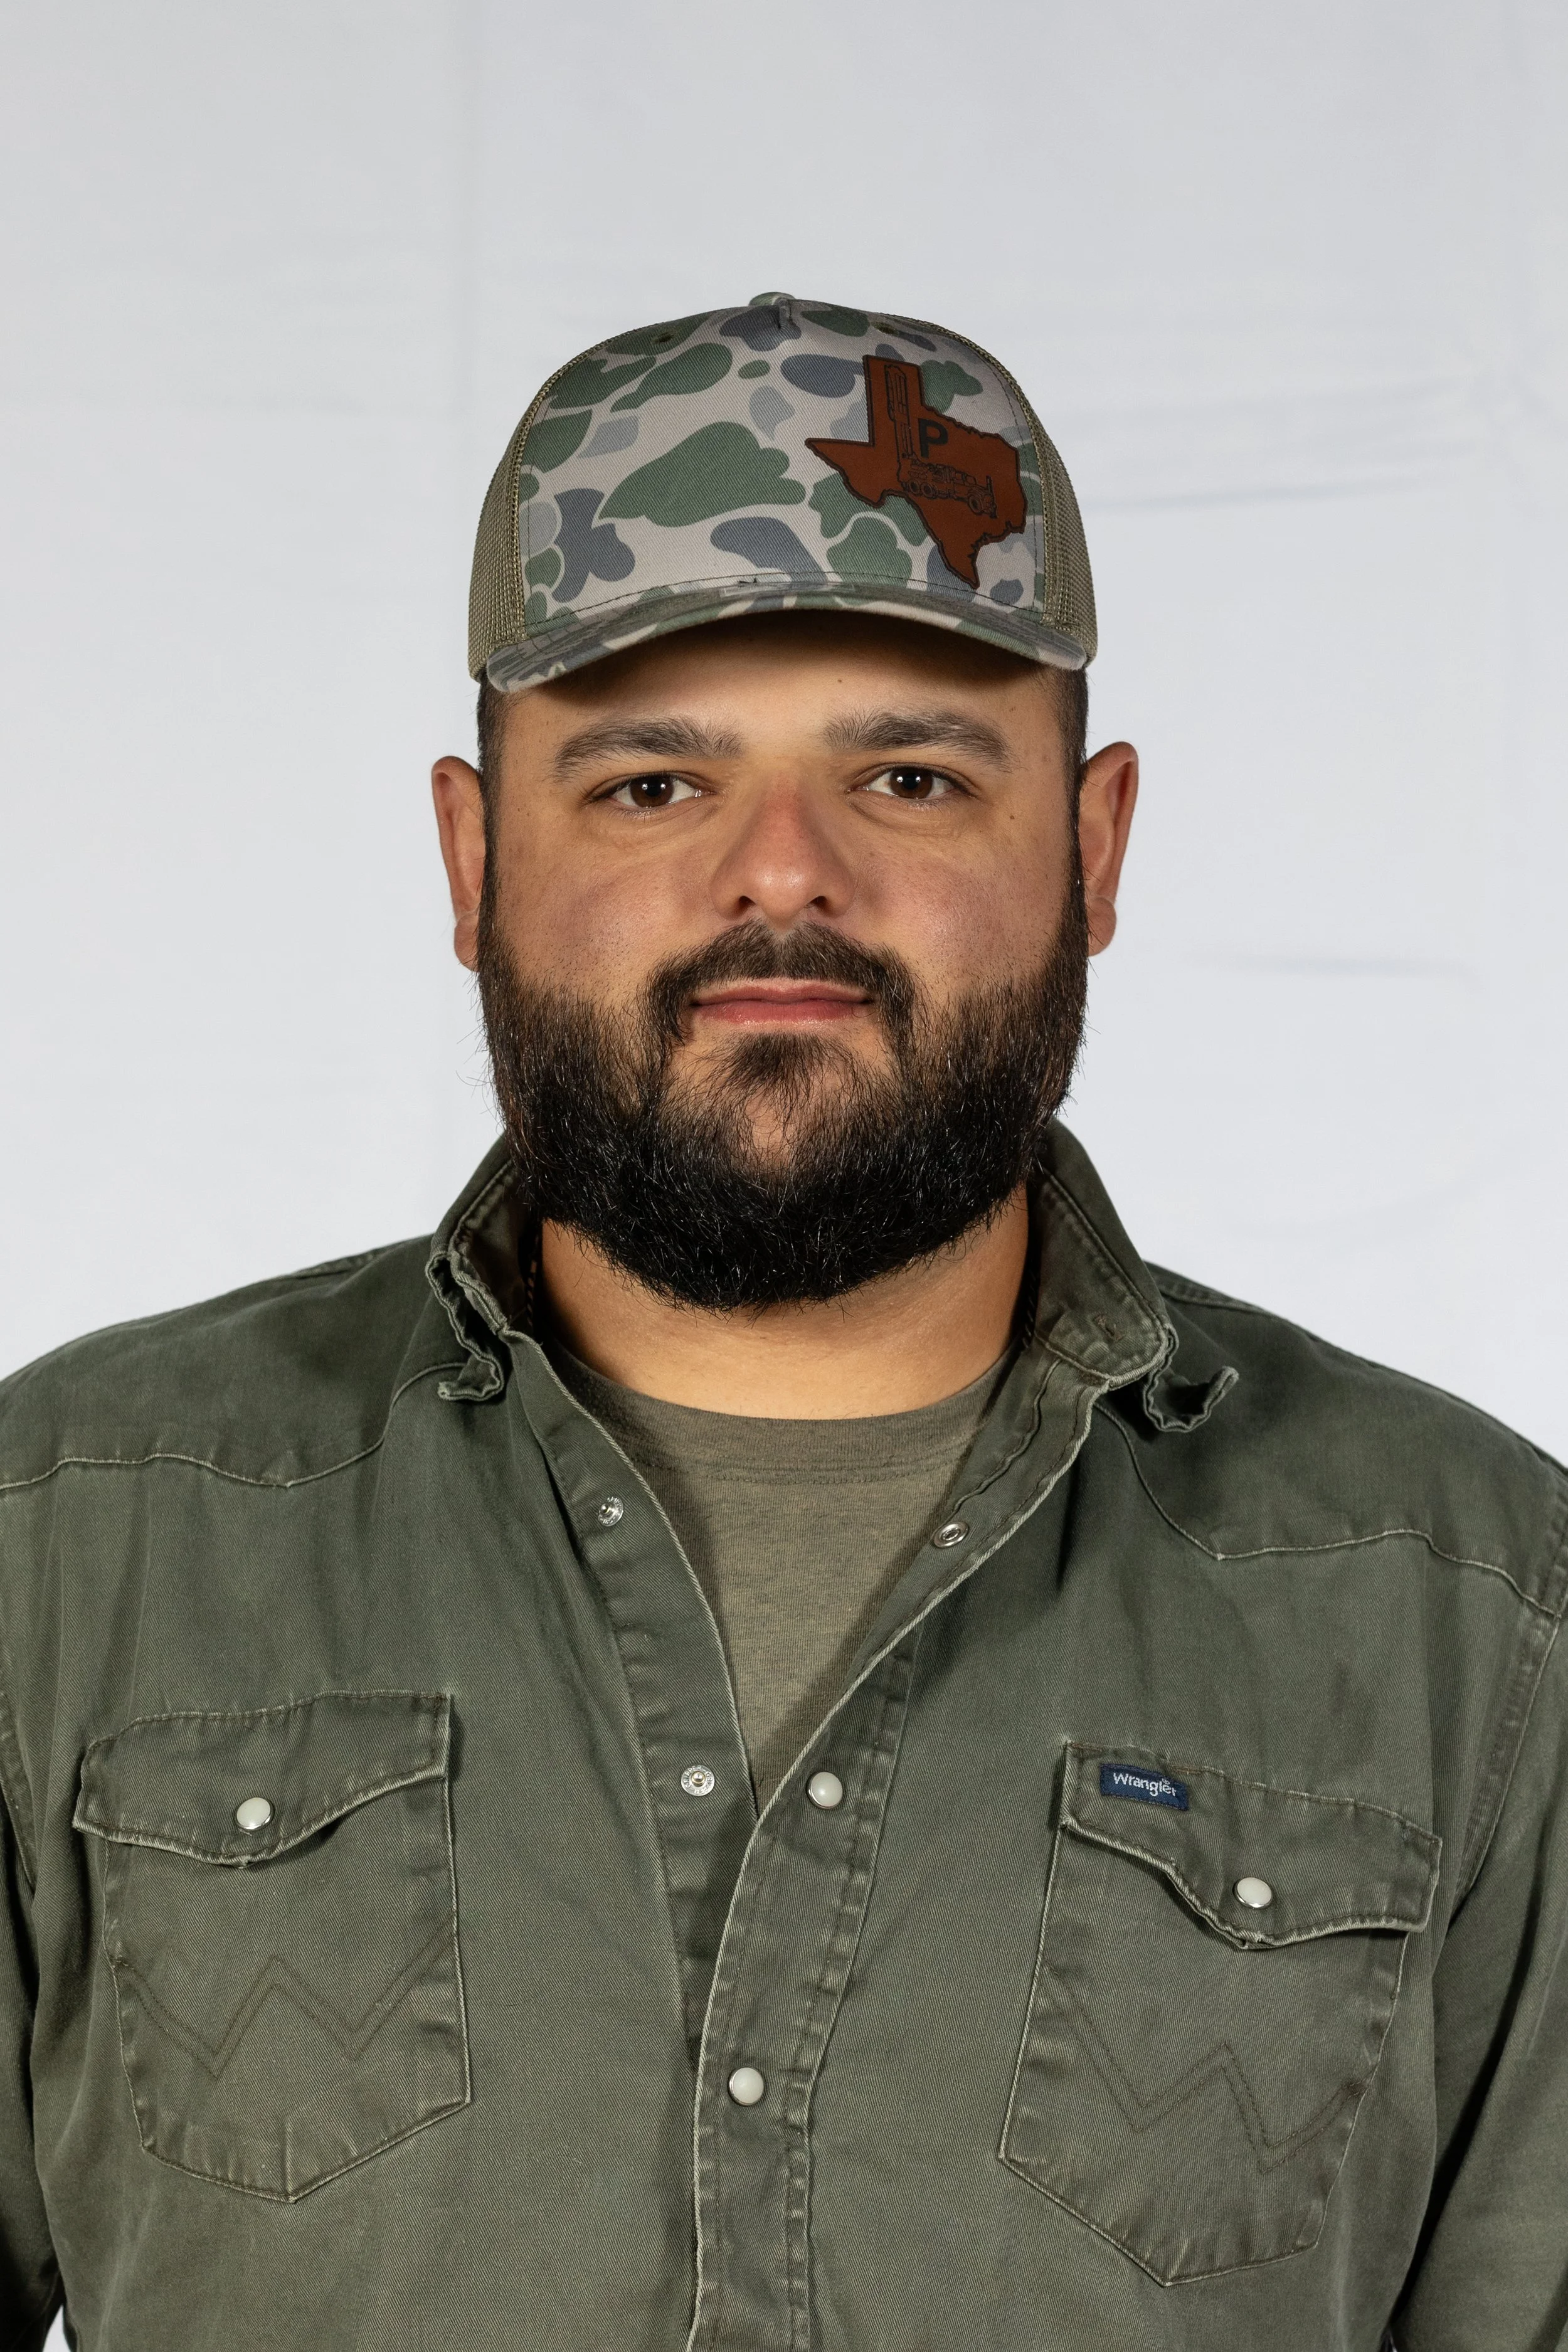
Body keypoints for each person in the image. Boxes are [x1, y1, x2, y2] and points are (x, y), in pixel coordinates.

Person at [0, 292, 1562, 2352]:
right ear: (473, 859)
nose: (780, 879)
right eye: (651, 786)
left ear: (1090, 848)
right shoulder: (67, 1540)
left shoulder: (1480, 1615)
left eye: (909, 775)